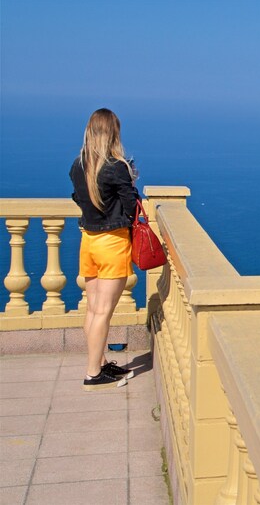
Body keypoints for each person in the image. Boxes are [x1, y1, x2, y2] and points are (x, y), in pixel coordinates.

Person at [69, 108, 138, 391]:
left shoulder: (78, 164)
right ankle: (93, 374)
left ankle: (100, 361)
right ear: (113, 132)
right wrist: (131, 180)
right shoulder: (116, 166)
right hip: (112, 243)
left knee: (93, 309)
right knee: (103, 313)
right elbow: (132, 205)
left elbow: (77, 196)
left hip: (89, 241)